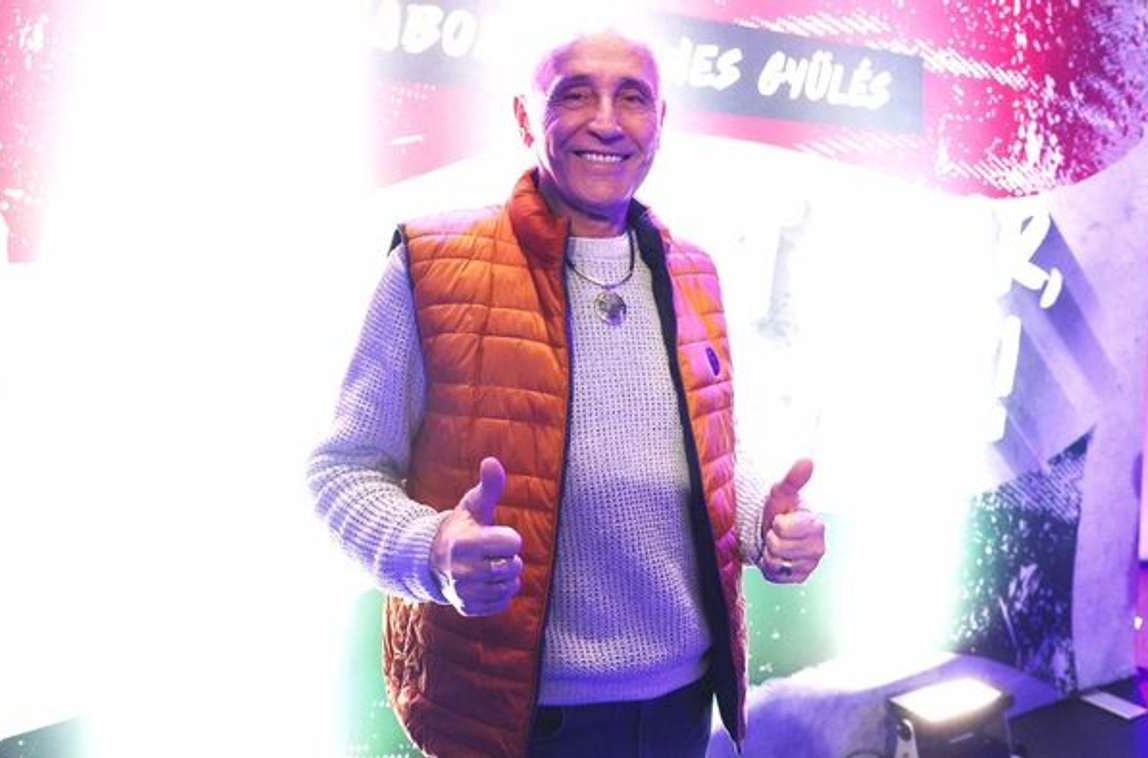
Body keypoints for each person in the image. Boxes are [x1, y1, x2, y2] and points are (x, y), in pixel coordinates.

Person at [307, 24, 827, 758]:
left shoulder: (692, 271)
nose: (606, 122)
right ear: (526, 118)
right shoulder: (429, 266)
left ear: (660, 122)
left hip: (681, 710)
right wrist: (431, 549)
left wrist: (759, 523)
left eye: (632, 98)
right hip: (521, 724)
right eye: (575, 95)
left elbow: (703, 456)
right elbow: (342, 470)